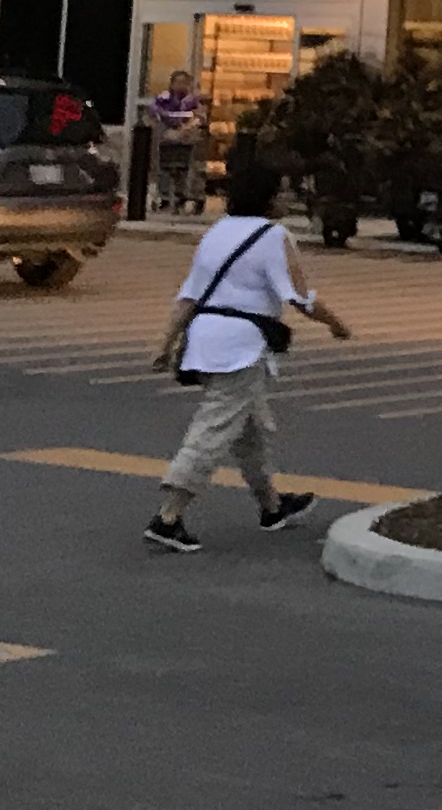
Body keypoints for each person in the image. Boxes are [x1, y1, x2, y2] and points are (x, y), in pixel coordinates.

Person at [143, 157, 348, 553]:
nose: (289, 196)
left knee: (249, 428)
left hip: (206, 338)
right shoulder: (274, 236)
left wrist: (165, 341)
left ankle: (271, 507)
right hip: (240, 346)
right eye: (284, 189)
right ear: (269, 197)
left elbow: (190, 294)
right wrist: (337, 325)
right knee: (215, 426)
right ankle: (169, 516)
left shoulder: (217, 232)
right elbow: (300, 297)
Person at [145, 70, 203, 214]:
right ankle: (164, 196)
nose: (181, 86)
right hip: (166, 137)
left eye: (184, 82)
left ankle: (182, 195)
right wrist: (162, 115)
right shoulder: (165, 98)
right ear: (172, 84)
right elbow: (154, 108)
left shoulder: (192, 101)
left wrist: (189, 125)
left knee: (184, 169)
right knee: (164, 168)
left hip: (185, 138)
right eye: (178, 82)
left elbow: (199, 116)